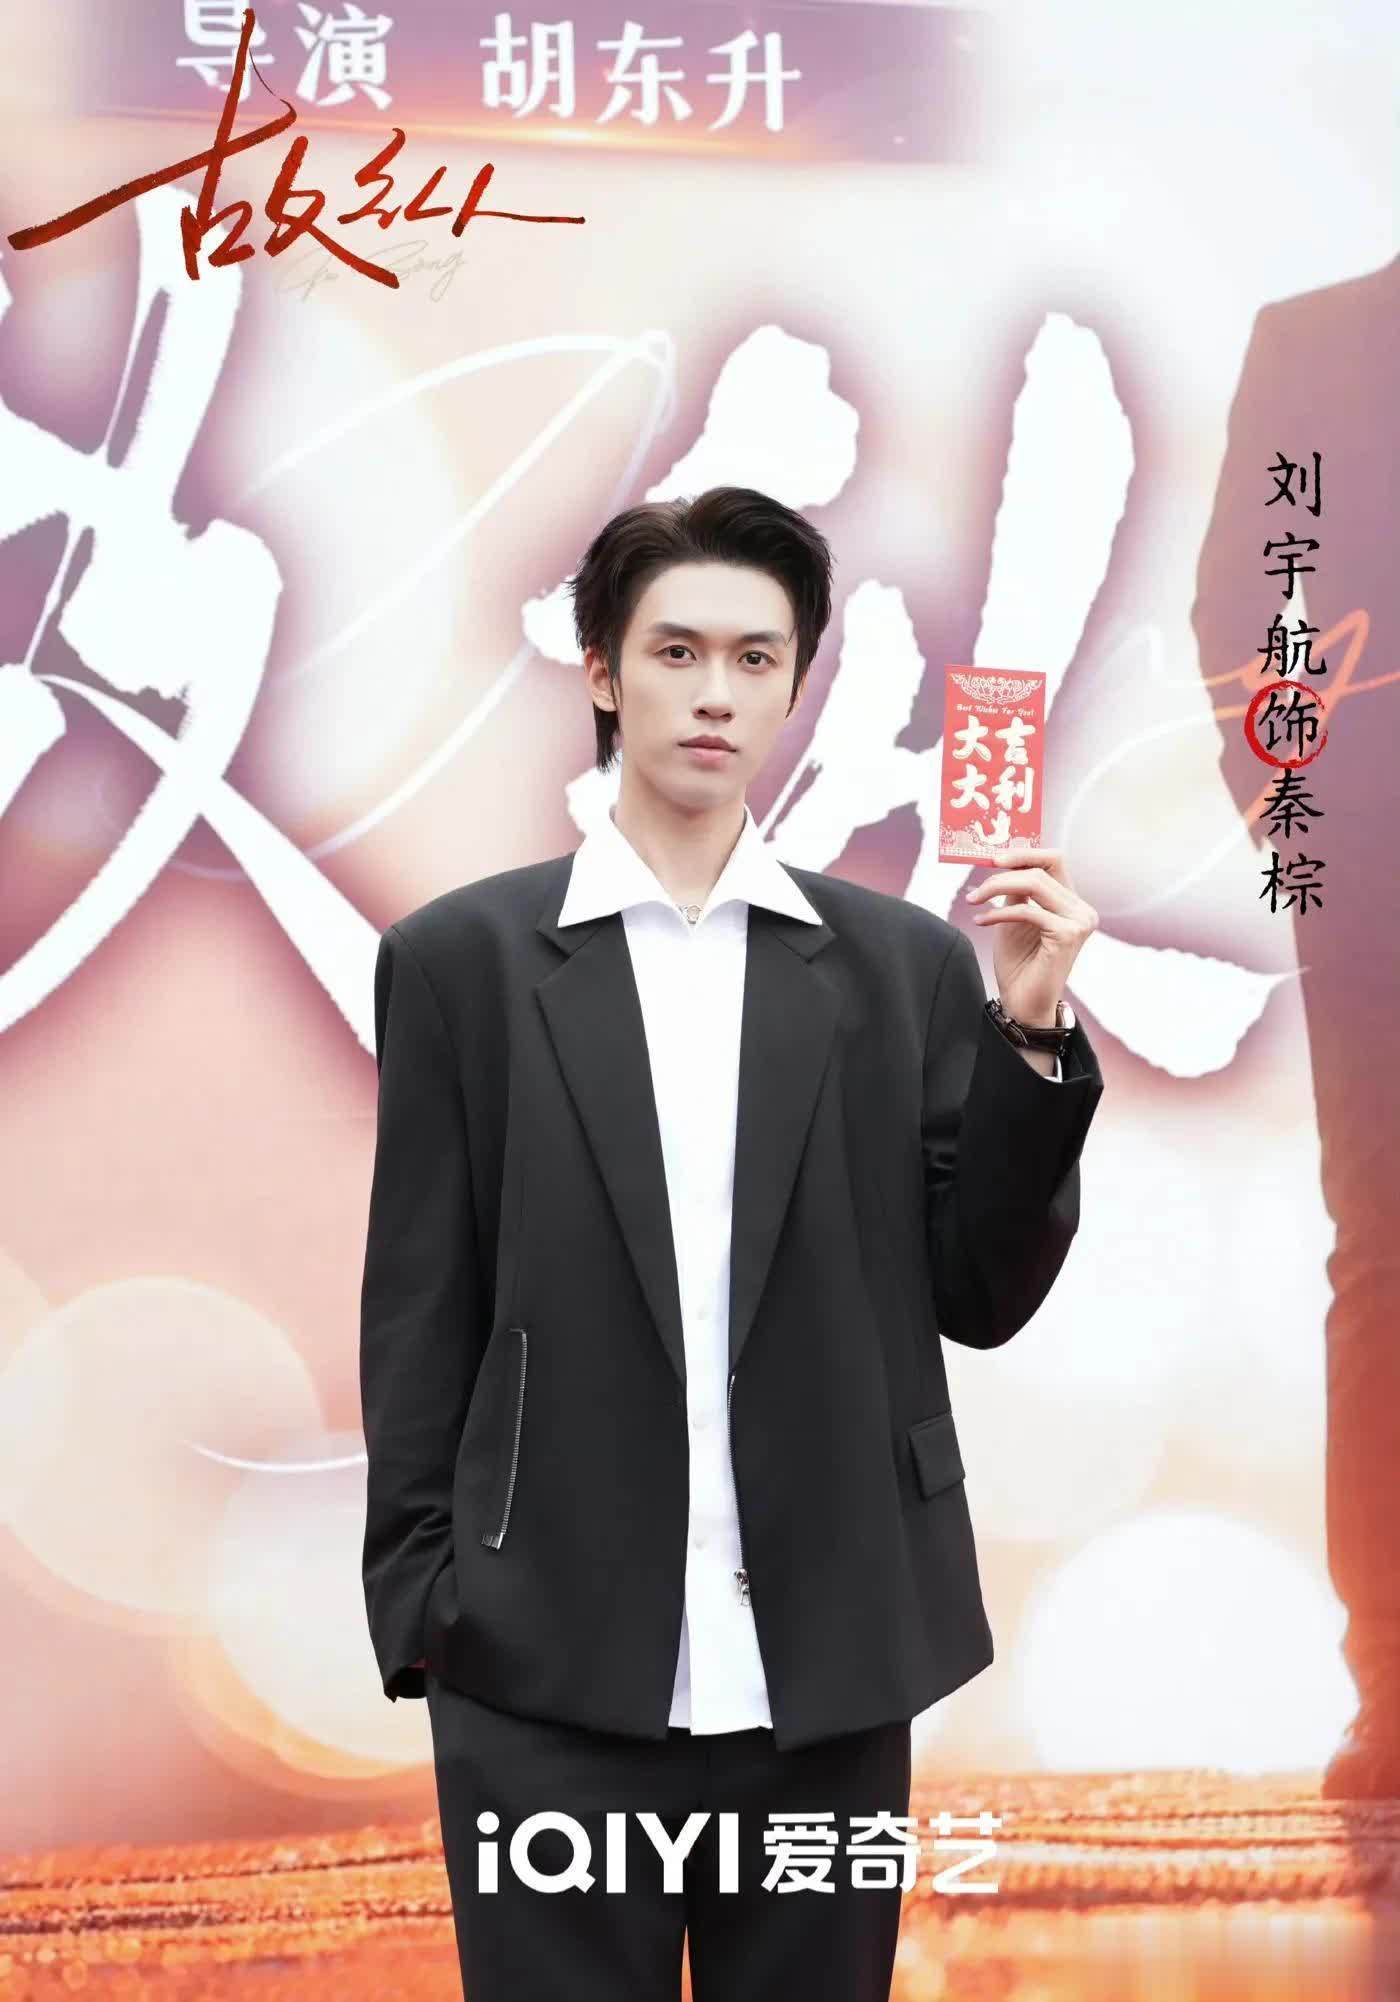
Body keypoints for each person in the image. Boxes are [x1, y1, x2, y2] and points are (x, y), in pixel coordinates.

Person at [359, 485, 1104, 1999]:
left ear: (796, 683)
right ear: (601, 669)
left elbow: (978, 1290)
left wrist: (1028, 1029)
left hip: (830, 1662)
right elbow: (421, 1310)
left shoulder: (899, 966)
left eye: (758, 659)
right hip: (540, 1666)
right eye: (678, 650)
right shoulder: (461, 964)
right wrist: (431, 1605)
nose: (717, 693)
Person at [1189, 256, 1400, 1798]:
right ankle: (1395, 1677)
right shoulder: (1321, 342)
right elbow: (1246, 608)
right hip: (1384, 881)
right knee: (1389, 1251)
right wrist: (1299, 814)